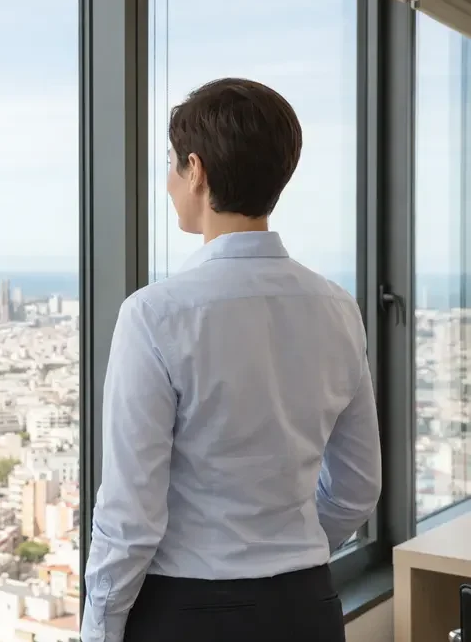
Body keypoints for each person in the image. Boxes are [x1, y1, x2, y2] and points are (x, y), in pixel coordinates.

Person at [80, 78, 382, 642]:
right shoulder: (339, 308)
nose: (168, 182)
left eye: (172, 164)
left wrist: (98, 630)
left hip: (187, 614)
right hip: (306, 609)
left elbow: (130, 516)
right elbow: (356, 488)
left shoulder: (155, 314)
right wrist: (284, 551)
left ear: (196, 170)